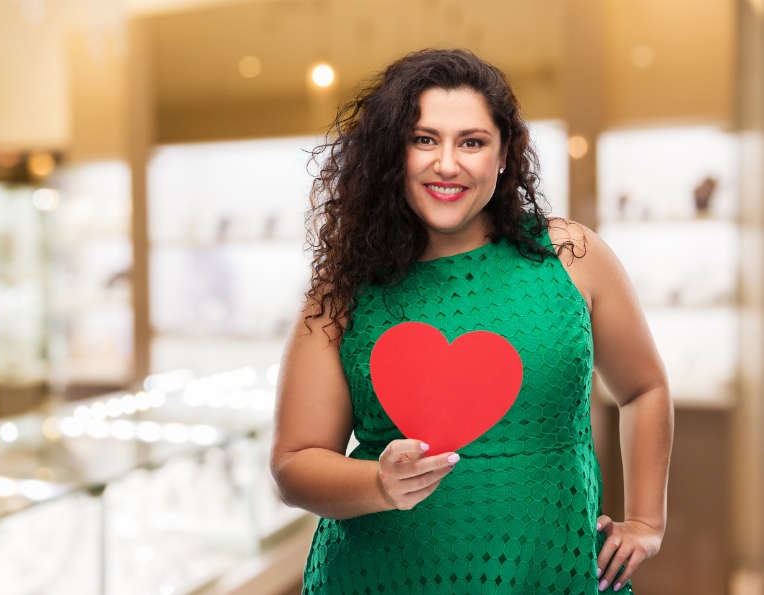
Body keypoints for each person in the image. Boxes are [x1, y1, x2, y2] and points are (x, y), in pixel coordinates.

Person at [270, 48, 673, 594]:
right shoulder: (345, 287)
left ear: (505, 154)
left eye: (473, 142)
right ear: (394, 152)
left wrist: (647, 522)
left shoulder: (570, 254)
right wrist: (380, 483)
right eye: (424, 139)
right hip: (379, 578)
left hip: (550, 574)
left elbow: (644, 388)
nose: (448, 164)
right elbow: (294, 463)